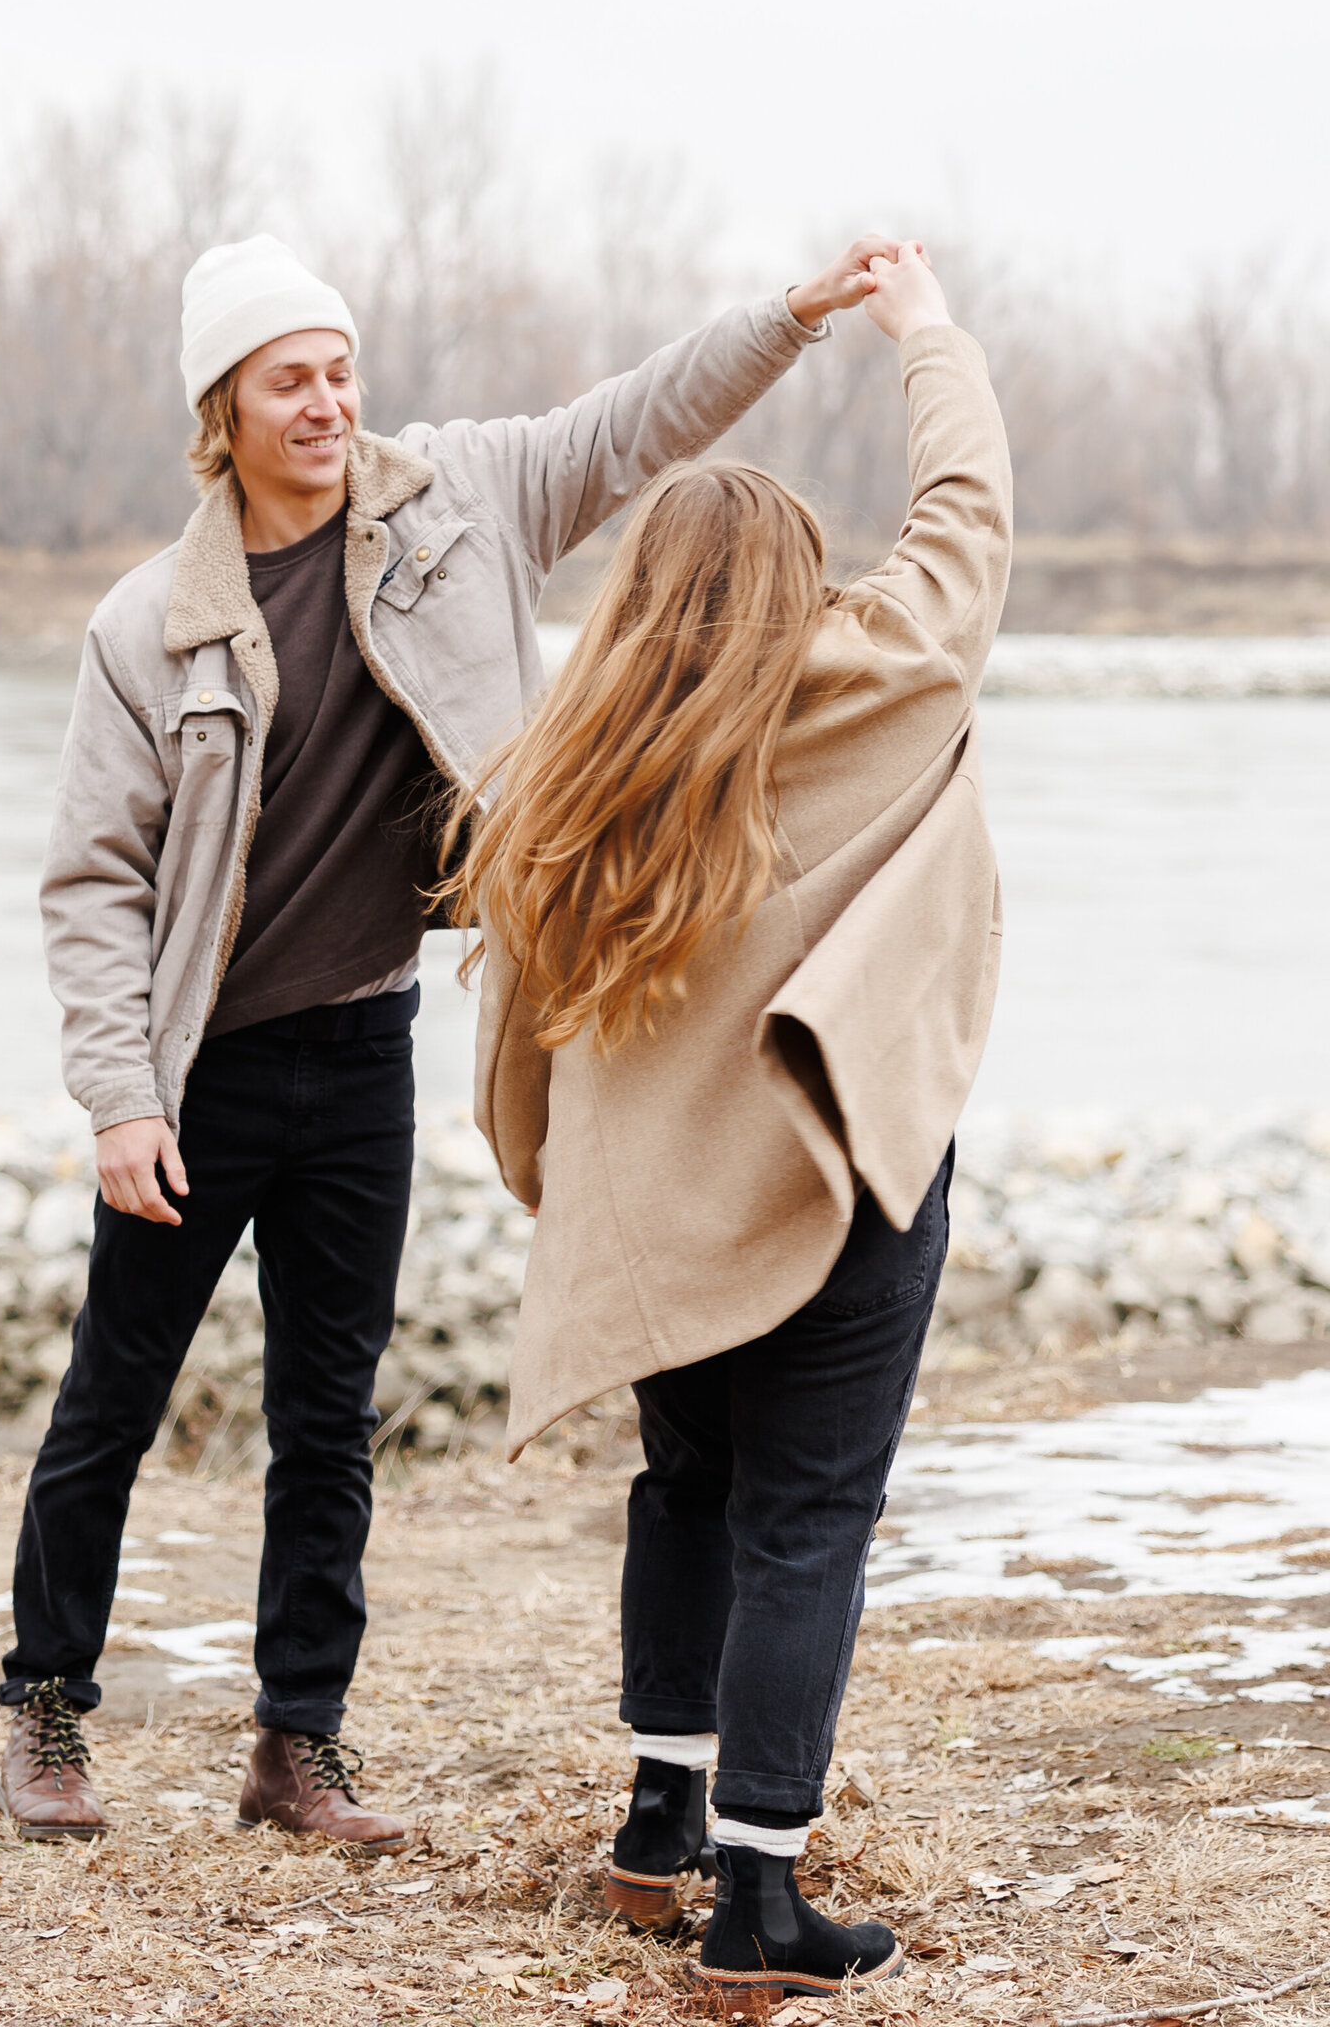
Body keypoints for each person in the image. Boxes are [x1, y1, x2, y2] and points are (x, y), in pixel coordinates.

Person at [0, 226, 889, 1843]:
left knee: (329, 1419)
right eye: (292, 380)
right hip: (197, 1076)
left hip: (362, 1050)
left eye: (340, 369)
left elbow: (638, 419)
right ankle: (47, 1712)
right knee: (111, 1401)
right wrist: (120, 1098)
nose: (329, 401)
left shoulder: (465, 503)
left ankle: (297, 1747)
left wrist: (791, 317)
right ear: (225, 411)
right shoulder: (152, 624)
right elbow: (92, 880)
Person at [451, 243, 1010, 1999]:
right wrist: (923, 332)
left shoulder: (575, 756)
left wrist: (562, 1181)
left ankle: (654, 1827)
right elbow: (969, 509)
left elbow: (513, 1017)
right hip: (839, 1173)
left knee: (686, 1492)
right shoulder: (872, 678)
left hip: (654, 1206)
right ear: (799, 583)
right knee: (809, 1520)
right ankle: (761, 1901)